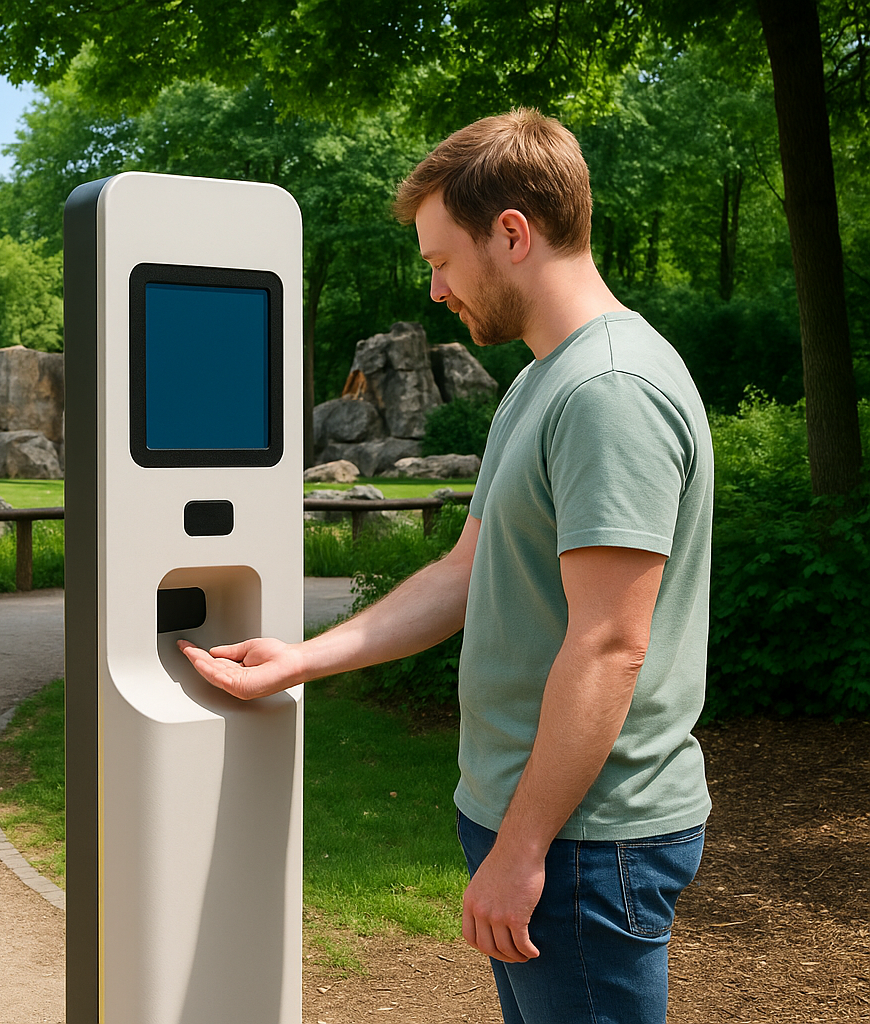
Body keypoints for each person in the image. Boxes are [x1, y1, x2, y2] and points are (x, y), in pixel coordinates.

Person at [180, 108, 714, 1024]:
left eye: (439, 259)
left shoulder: (606, 392)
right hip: (539, 822)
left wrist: (523, 848)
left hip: (584, 840)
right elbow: (469, 569)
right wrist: (304, 658)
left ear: (512, 234)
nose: (434, 289)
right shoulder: (545, 379)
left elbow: (610, 645)